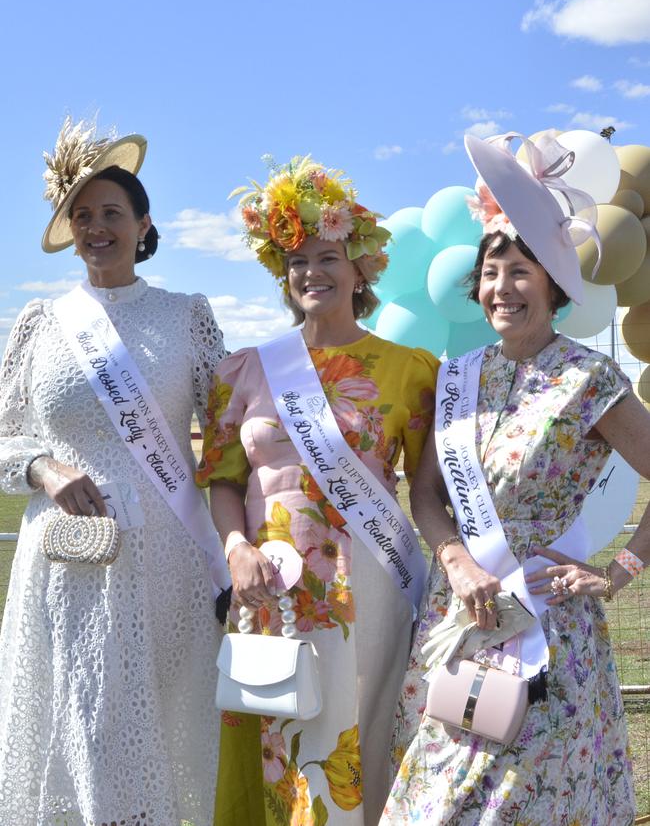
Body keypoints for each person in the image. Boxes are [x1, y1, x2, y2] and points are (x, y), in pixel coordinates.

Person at [383, 130, 650, 825]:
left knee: (528, 803)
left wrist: (619, 570)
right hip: (460, 614)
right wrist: (456, 559)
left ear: (556, 285)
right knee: (437, 800)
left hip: (546, 632)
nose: (503, 287)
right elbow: (427, 493)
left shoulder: (591, 379)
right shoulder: (460, 377)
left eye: (522, 270)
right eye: (492, 271)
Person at [196, 156, 439, 826]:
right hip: (269, 590)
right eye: (296, 258)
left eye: (327, 255)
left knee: (359, 740)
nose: (311, 271)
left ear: (361, 268)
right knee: (281, 746)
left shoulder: (411, 371)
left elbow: (428, 492)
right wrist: (237, 544)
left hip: (369, 590)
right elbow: (220, 477)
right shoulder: (243, 370)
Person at [0, 117, 227, 826]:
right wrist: (42, 467)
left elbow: (226, 440)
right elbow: (5, 434)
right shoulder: (41, 322)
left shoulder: (186, 316)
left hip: (167, 560)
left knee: (157, 723)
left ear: (143, 224)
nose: (96, 227)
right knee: (78, 725)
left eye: (111, 213)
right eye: (83, 215)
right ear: (70, 228)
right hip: (68, 560)